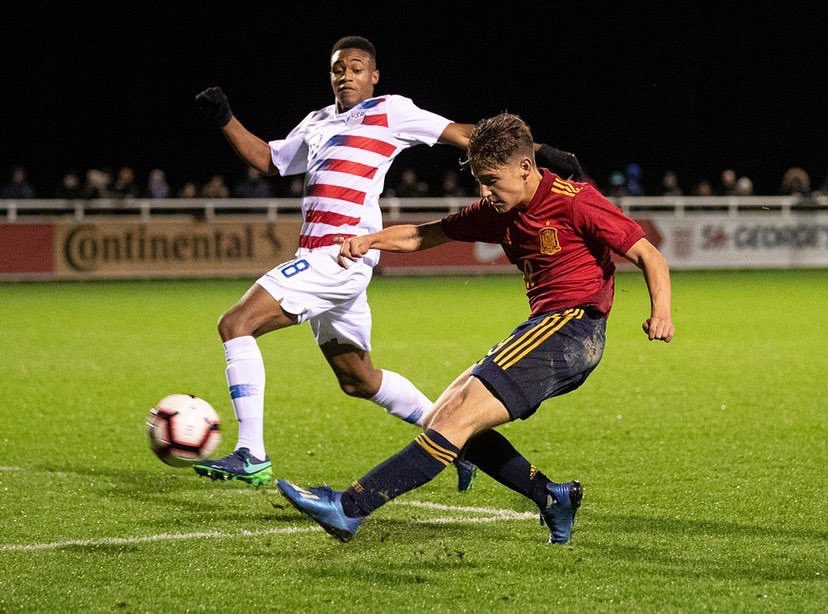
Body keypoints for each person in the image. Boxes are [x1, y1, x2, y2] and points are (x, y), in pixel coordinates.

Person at [192, 36, 582, 490]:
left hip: (338, 257)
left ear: (374, 75)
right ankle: (452, 440)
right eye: (338, 69)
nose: (346, 76)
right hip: (320, 260)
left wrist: (538, 152)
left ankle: (251, 453)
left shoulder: (390, 111)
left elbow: (462, 133)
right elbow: (270, 160)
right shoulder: (316, 122)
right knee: (358, 380)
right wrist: (225, 118)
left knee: (235, 324)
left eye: (356, 68)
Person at [276, 113, 674, 545]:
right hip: (546, 328)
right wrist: (370, 240)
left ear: (525, 167)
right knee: (439, 417)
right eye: (480, 182)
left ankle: (349, 507)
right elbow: (424, 235)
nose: (485, 192)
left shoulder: (574, 200)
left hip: (572, 328)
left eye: (491, 181)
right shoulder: (496, 210)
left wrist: (662, 313)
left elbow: (649, 254)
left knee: (455, 421)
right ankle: (550, 496)